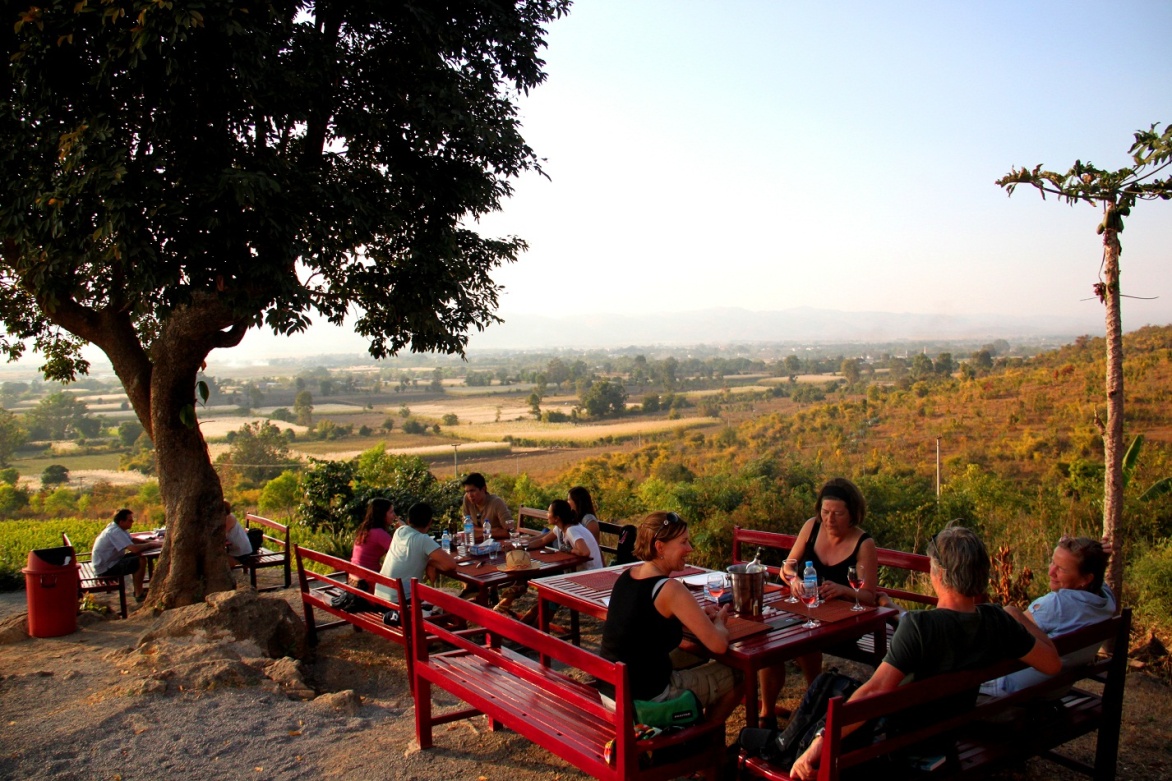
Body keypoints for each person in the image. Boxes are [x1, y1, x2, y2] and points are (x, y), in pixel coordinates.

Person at [788, 523, 1060, 780]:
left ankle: (782, 751)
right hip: (945, 736)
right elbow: (1052, 664)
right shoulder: (997, 621)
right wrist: (1015, 615)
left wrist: (817, 747)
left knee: (826, 687)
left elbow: (874, 692)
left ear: (939, 575)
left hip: (895, 745)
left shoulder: (921, 627)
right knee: (828, 686)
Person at [600, 511, 743, 725]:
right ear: (660, 547)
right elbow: (719, 645)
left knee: (696, 657)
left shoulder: (627, 577)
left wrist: (695, 616)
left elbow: (647, 619)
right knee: (741, 675)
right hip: (645, 702)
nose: (690, 549)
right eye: (683, 542)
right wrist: (720, 623)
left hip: (612, 693)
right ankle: (706, 745)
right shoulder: (669, 589)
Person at [758, 478, 878, 727]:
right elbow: (787, 568)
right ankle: (766, 714)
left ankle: (812, 702)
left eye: (838, 513)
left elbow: (868, 597)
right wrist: (795, 581)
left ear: (853, 514)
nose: (829, 520)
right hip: (806, 609)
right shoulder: (811, 527)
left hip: (841, 621)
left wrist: (843, 589)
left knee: (805, 640)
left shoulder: (863, 543)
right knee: (771, 641)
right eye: (825, 512)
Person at [981, 536, 1115, 696]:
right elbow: (1096, 576)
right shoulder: (1106, 600)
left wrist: (1011, 613)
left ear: (1086, 578)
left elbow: (1005, 634)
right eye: (1053, 562)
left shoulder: (1056, 605)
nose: (1051, 572)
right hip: (1055, 687)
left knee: (1010, 613)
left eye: (1062, 569)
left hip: (1013, 688)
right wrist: (1099, 558)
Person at [516, 500, 604, 625]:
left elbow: (585, 552)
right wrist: (522, 547)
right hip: (575, 574)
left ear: (557, 518)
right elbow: (543, 541)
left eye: (549, 512)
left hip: (589, 577)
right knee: (547, 594)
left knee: (552, 594)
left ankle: (532, 631)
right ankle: (524, 628)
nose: (547, 514)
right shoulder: (560, 528)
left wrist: (570, 550)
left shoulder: (572, 530)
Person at [374, 503, 459, 606]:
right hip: (402, 603)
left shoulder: (400, 532)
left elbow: (404, 527)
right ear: (430, 522)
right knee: (454, 599)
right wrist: (430, 562)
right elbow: (451, 564)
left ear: (409, 520)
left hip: (380, 599)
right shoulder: (423, 540)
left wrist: (428, 562)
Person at [90, 508, 161, 603]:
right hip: (105, 568)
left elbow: (131, 540)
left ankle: (138, 590)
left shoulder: (117, 527)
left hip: (109, 562)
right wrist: (151, 544)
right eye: (130, 520)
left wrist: (148, 541)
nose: (132, 522)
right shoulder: (115, 532)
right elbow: (134, 548)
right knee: (140, 560)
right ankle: (139, 593)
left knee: (137, 557)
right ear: (121, 521)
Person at [350, 498, 396, 591]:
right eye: (391, 512)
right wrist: (402, 530)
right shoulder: (379, 533)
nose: (394, 515)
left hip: (353, 578)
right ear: (382, 515)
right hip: (365, 583)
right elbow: (399, 552)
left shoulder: (365, 530)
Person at [461, 473, 512, 541]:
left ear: (483, 489)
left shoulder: (496, 503)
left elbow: (509, 532)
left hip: (498, 543)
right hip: (478, 543)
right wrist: (488, 530)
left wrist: (478, 531)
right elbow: (467, 524)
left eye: (472, 491)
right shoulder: (467, 499)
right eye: (467, 492)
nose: (470, 495)